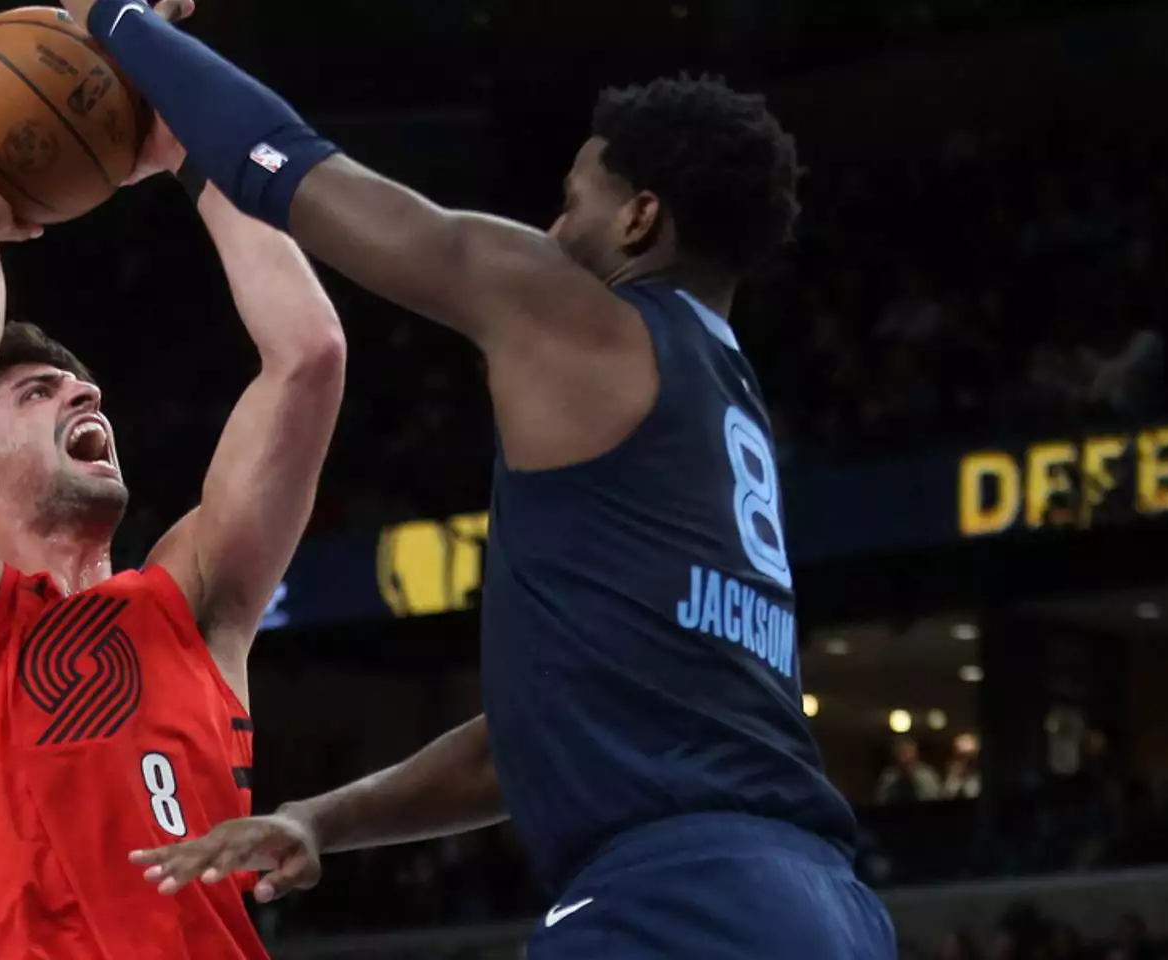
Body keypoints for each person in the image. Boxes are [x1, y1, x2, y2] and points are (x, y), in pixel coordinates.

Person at [63, 2, 897, 956]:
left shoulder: (587, 318)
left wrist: (116, 20)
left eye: (573, 199)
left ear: (640, 217)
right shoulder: (723, 402)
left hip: (678, 902)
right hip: (823, 907)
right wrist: (320, 821)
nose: (550, 224)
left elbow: (293, 168)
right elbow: (528, 743)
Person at [0, 66, 345, 960]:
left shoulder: (193, 602)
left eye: (81, 386)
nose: (84, 391)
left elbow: (309, 354)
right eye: (41, 392)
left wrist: (187, 151)